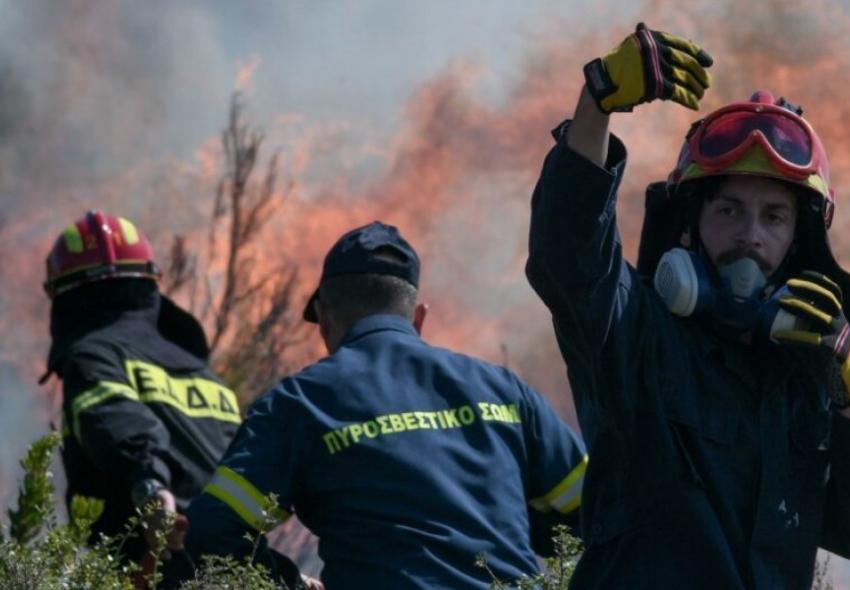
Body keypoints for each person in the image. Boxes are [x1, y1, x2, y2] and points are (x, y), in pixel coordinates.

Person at [525, 23, 850, 588]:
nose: (750, 236)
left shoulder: (809, 384)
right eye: (729, 210)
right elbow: (567, 258)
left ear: (799, 241)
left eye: (774, 217)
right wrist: (598, 101)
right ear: (689, 227)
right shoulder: (634, 333)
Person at [185, 221, 588, 589]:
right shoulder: (503, 389)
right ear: (419, 317)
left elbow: (214, 527)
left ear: (324, 321)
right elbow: (597, 509)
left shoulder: (299, 403)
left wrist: (288, 582)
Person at [42, 210, 241, 587]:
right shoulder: (204, 375)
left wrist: (151, 487)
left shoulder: (92, 357)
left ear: (65, 299)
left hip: (155, 565)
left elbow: (118, 422)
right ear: (149, 285)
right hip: (237, 571)